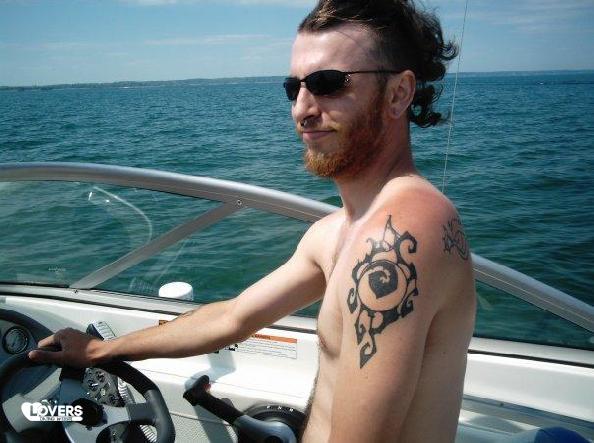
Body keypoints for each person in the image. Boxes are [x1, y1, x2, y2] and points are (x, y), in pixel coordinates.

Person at [29, 1, 476, 441]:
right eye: (294, 87)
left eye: (327, 83)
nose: (302, 109)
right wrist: (101, 349)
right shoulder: (339, 231)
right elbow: (233, 318)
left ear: (398, 93)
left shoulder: (398, 236)